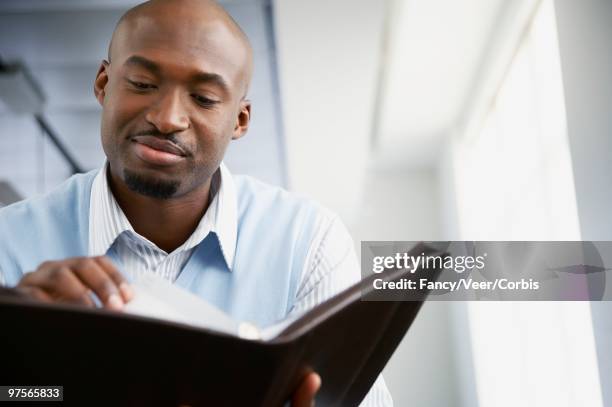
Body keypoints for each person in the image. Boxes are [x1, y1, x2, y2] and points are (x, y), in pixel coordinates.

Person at [0, 0, 392, 405]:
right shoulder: (8, 240)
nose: (168, 118)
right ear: (103, 83)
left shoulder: (310, 243)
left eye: (204, 98)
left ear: (240, 120)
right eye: (142, 83)